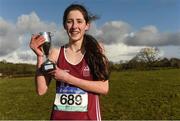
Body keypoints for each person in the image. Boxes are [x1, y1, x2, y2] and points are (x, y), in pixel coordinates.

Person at [29, 3, 109, 120]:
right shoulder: (56, 53)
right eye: (70, 21)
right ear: (64, 25)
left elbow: (104, 88)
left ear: (87, 25)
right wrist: (40, 56)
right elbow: (41, 90)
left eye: (79, 21)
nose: (74, 26)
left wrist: (67, 78)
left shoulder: (96, 51)